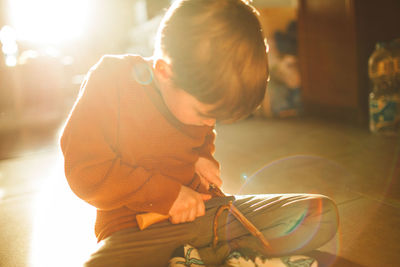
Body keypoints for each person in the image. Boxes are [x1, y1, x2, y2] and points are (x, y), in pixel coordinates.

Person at [60, 0, 338, 266]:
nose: (210, 125)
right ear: (164, 72)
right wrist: (166, 196)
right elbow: (85, 173)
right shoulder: (111, 80)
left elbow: (199, 140)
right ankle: (224, 254)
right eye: (205, 114)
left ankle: (197, 256)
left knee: (319, 215)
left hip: (208, 218)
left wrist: (202, 158)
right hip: (138, 229)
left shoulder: (197, 94)